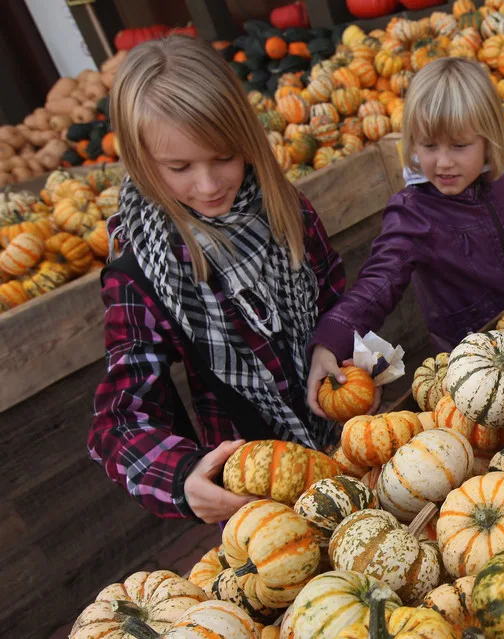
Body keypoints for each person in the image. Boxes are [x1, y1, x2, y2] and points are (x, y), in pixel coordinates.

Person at [89, 36, 346, 523]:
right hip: (257, 499)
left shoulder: (285, 210)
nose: (208, 185)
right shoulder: (140, 272)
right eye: (180, 167)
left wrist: (337, 351)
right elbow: (121, 419)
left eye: (224, 157)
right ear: (142, 161)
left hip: (348, 437)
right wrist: (185, 478)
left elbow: (336, 297)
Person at [306, 57, 504, 415]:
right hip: (468, 361)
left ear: (488, 141)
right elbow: (378, 280)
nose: (444, 162)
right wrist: (332, 339)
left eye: (459, 146)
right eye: (429, 146)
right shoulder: (414, 212)